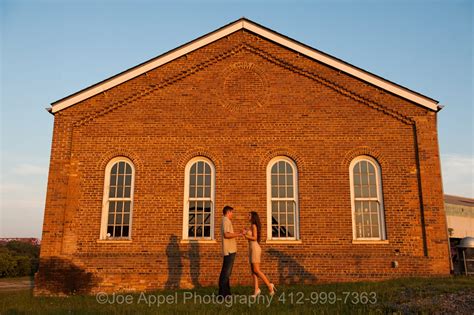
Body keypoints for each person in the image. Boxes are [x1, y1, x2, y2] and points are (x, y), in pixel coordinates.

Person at [243, 211, 276, 297]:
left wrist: (246, 236)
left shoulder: (254, 226)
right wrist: (245, 231)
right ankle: (256, 290)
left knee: (256, 270)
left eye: (249, 215)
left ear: (253, 217)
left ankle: (270, 285)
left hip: (255, 248)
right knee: (253, 271)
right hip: (251, 249)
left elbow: (255, 238)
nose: (248, 216)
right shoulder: (251, 226)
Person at [218, 205, 241, 298]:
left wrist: (238, 233)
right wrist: (239, 234)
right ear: (228, 212)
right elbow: (226, 235)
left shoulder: (226, 221)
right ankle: (222, 295)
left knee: (226, 273)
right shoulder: (226, 220)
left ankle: (227, 294)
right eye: (232, 212)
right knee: (226, 273)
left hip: (229, 249)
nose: (232, 214)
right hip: (229, 250)